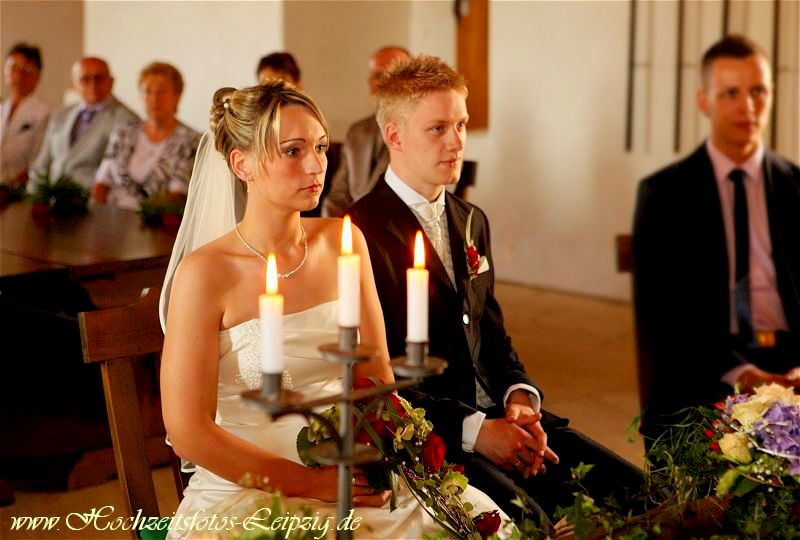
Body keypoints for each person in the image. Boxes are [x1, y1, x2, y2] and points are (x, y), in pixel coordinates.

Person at [159, 81, 507, 539]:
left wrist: (385, 453)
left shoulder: (342, 242)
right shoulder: (204, 274)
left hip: (353, 467)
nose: (316, 165)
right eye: (292, 150)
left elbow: (378, 372)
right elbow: (187, 431)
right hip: (250, 486)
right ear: (241, 164)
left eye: (320, 147)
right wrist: (310, 483)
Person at [349, 55, 643, 524]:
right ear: (395, 136)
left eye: (462, 125)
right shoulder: (359, 233)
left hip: (504, 420)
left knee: (637, 494)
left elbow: (492, 335)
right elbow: (373, 382)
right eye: (438, 128)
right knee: (535, 524)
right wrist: (477, 431)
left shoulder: (471, 220)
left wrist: (520, 399)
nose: (456, 142)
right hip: (434, 439)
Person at [632, 34, 800, 443]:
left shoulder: (796, 186)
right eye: (731, 93)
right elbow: (661, 318)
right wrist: (742, 376)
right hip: (705, 370)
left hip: (791, 359)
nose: (748, 106)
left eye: (758, 91)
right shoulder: (664, 194)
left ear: (772, 94)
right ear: (704, 100)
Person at [91, 62, 199, 210]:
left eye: (162, 91)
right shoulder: (124, 131)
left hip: (155, 222)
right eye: (147, 91)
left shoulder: (190, 140)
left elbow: (177, 195)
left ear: (177, 96)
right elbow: (102, 182)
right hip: (111, 217)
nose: (154, 99)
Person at [322, 46, 409, 217]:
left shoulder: (422, 133)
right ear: (370, 83)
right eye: (378, 76)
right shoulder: (357, 132)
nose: (385, 82)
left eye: (395, 74)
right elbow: (336, 198)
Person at [28, 57, 137, 190]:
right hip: (50, 201)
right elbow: (41, 164)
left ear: (111, 82)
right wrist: (33, 196)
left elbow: (118, 175)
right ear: (74, 84)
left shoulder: (127, 120)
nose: (93, 84)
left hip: (92, 204)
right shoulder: (60, 115)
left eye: (99, 78)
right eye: (85, 79)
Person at [0, 43, 50, 187]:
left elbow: (38, 162)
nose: (19, 74)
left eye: (26, 69)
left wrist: (10, 188)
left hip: (20, 191)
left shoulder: (43, 113)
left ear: (38, 75)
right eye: (13, 67)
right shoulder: (2, 108)